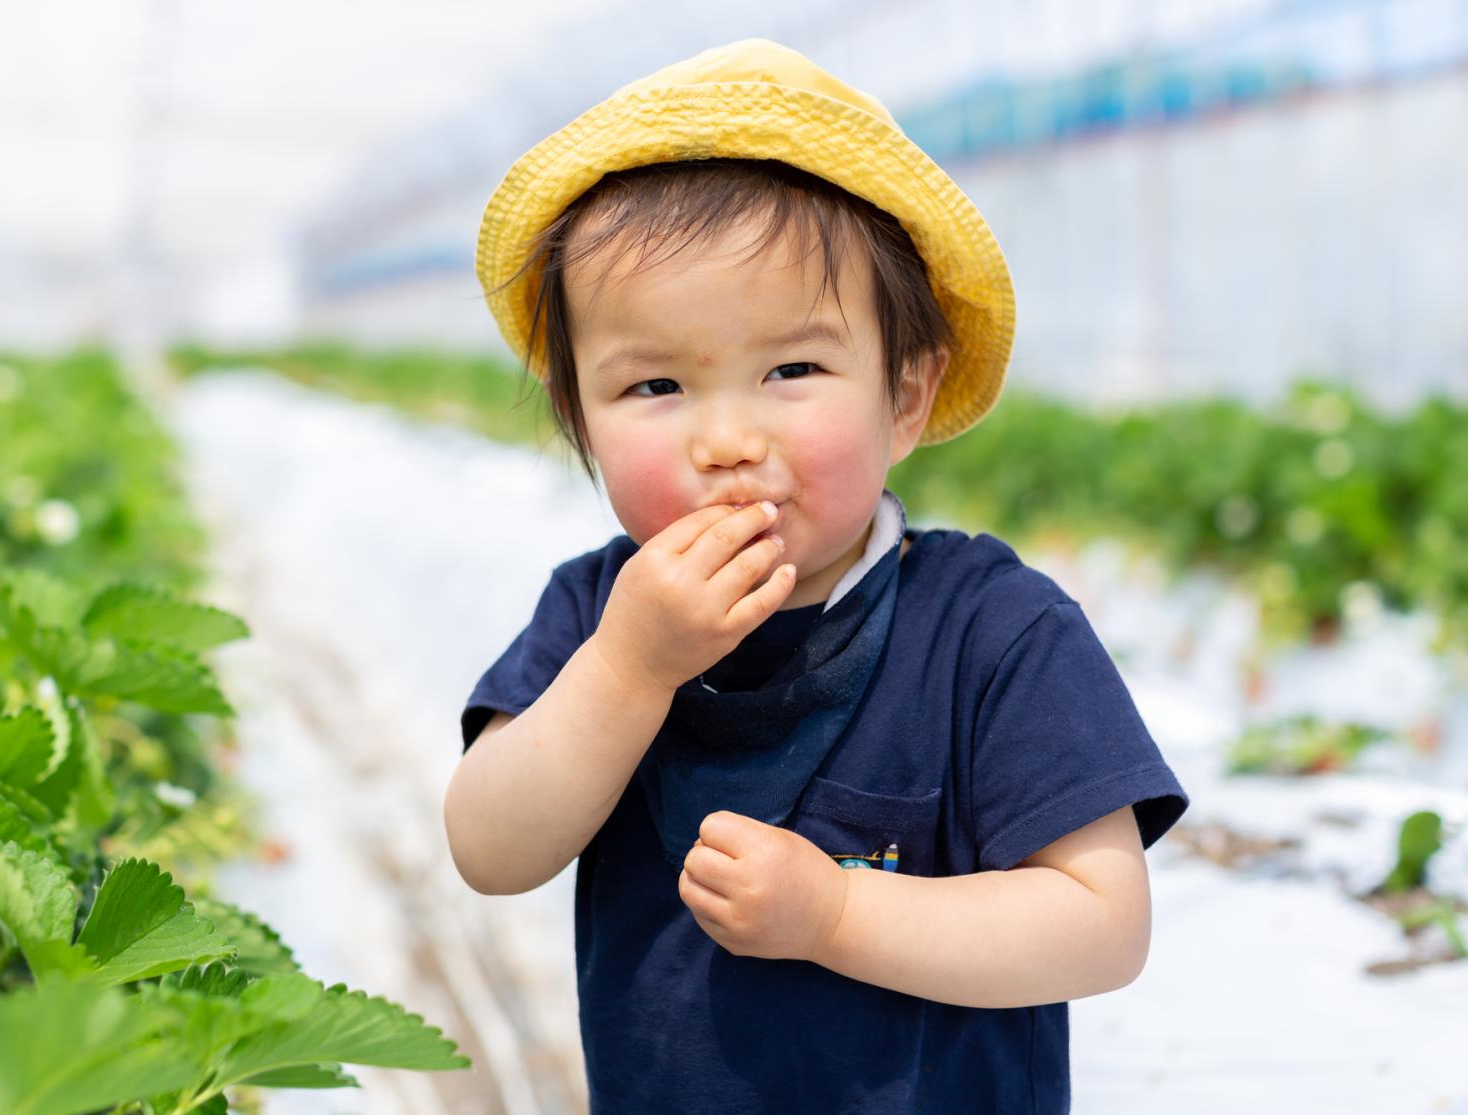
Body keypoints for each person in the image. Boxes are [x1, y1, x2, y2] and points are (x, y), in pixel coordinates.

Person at [445, 38, 1190, 1114]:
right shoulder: (596, 618)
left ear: (904, 392)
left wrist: (836, 915)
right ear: (580, 422)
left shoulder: (989, 632)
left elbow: (1099, 921)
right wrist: (628, 667)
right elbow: (488, 846)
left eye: (791, 369)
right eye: (654, 383)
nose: (729, 437)